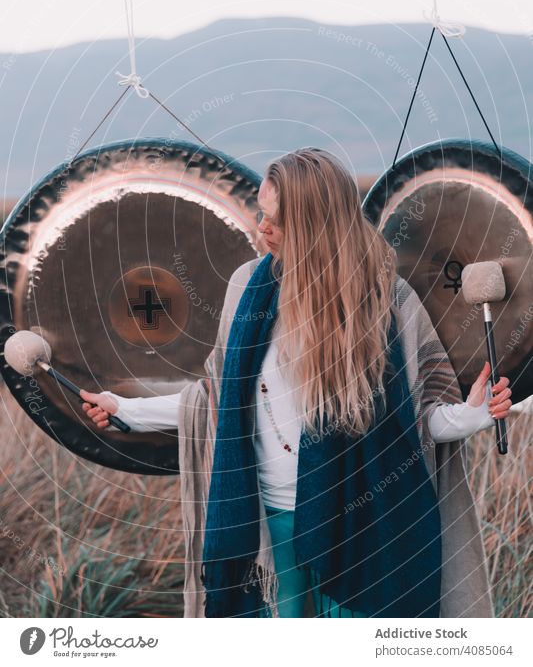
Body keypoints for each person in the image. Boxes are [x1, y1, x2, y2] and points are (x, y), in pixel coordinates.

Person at [80, 147, 512, 619]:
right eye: (261, 214)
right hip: (266, 522)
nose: (262, 229)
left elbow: (415, 423)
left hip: (364, 523)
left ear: (317, 224)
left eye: (277, 221)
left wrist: (471, 415)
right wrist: (128, 411)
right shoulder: (248, 287)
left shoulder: (388, 299)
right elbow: (216, 399)